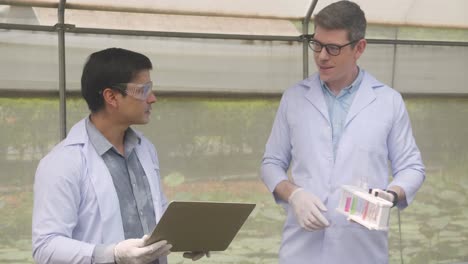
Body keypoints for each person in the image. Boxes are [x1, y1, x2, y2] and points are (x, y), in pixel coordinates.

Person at [260, 1, 425, 263]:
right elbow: (271, 163)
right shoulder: (294, 98)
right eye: (317, 44)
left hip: (362, 248)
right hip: (302, 250)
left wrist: (390, 195)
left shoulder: (388, 102)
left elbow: (412, 167)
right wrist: (295, 195)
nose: (322, 56)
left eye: (333, 48)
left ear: (359, 47)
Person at [32, 48, 207, 264]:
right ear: (111, 96)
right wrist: (112, 254)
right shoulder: (62, 162)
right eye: (144, 90)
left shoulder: (145, 149)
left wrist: (190, 237)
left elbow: (156, 217)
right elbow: (45, 247)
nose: (153, 98)